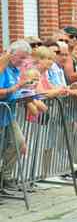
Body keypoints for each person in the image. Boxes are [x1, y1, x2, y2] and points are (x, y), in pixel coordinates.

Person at [0, 40, 31, 191]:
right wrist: (17, 87)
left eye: (25, 58)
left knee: (19, 141)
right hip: (2, 112)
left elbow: (15, 90)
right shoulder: (3, 68)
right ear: (11, 54)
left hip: (8, 115)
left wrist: (26, 92)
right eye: (21, 57)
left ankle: (5, 176)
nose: (23, 61)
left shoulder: (15, 70)